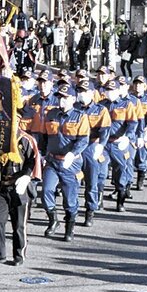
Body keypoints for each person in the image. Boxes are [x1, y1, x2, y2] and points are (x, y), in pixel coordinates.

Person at [41, 83, 90, 240]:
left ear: (73, 99)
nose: (62, 101)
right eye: (60, 98)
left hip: (71, 163)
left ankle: (70, 227)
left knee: (70, 198)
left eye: (65, 98)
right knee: (46, 190)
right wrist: (42, 154)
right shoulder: (51, 114)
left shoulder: (80, 116)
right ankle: (53, 220)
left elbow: (83, 140)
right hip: (52, 160)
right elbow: (44, 136)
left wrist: (73, 153)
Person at [0, 130, 40, 267]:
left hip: (19, 185)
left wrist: (26, 176)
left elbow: (33, 160)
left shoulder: (26, 139)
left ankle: (19, 254)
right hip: (1, 185)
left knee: (18, 225)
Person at [75, 79, 111, 227]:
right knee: (72, 181)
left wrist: (101, 146)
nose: (81, 94)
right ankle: (72, 209)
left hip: (91, 146)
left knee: (91, 181)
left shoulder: (100, 109)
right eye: (79, 91)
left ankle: (90, 210)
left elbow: (105, 130)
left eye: (84, 91)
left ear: (91, 93)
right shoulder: (74, 107)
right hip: (76, 147)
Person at [101, 78, 139, 212]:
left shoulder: (126, 104)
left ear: (118, 91)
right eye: (107, 90)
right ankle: (98, 200)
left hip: (119, 143)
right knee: (100, 170)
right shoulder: (101, 105)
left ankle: (120, 200)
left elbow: (133, 123)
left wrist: (127, 137)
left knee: (121, 170)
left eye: (112, 90)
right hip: (104, 143)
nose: (109, 92)